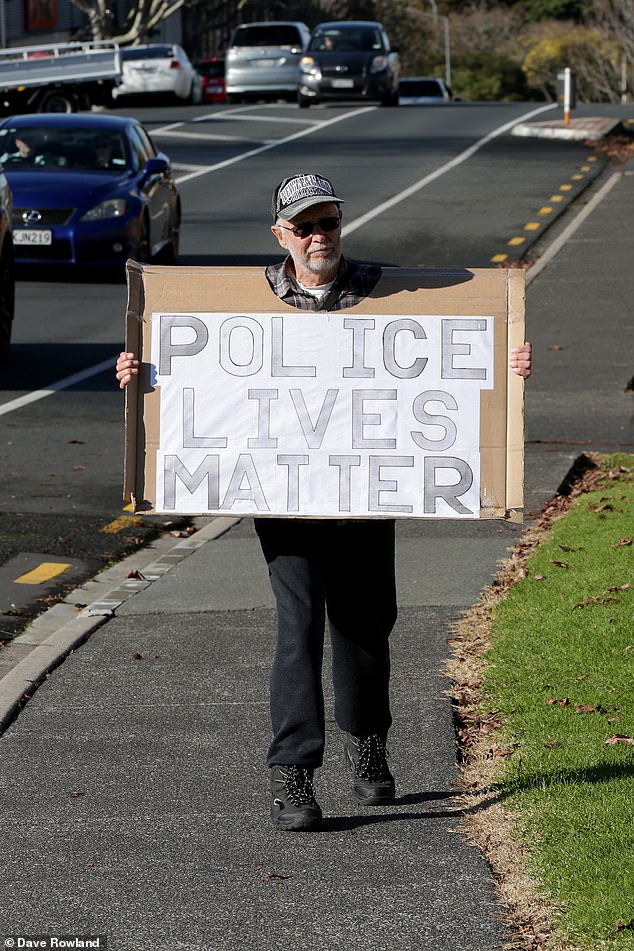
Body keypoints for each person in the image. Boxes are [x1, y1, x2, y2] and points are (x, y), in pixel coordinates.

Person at [115, 172, 532, 833]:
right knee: (299, 625)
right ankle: (293, 773)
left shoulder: (385, 296)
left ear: (342, 226)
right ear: (280, 234)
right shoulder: (243, 306)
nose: (319, 237)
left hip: (367, 490)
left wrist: (508, 365)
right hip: (285, 499)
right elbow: (188, 371)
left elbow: (459, 352)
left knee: (365, 629)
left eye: (328, 223)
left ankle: (368, 737)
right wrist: (143, 373)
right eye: (304, 226)